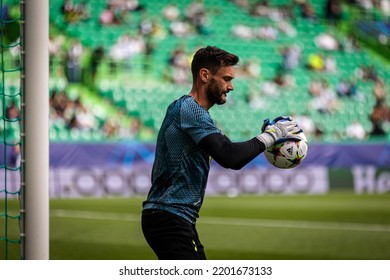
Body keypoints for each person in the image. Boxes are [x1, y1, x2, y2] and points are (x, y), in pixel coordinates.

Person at [141, 46, 302, 260]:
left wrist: (265, 137)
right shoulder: (191, 110)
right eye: (226, 78)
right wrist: (271, 136)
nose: (231, 86)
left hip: (173, 217)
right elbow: (229, 157)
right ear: (205, 75)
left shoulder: (194, 113)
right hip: (169, 216)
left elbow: (229, 149)